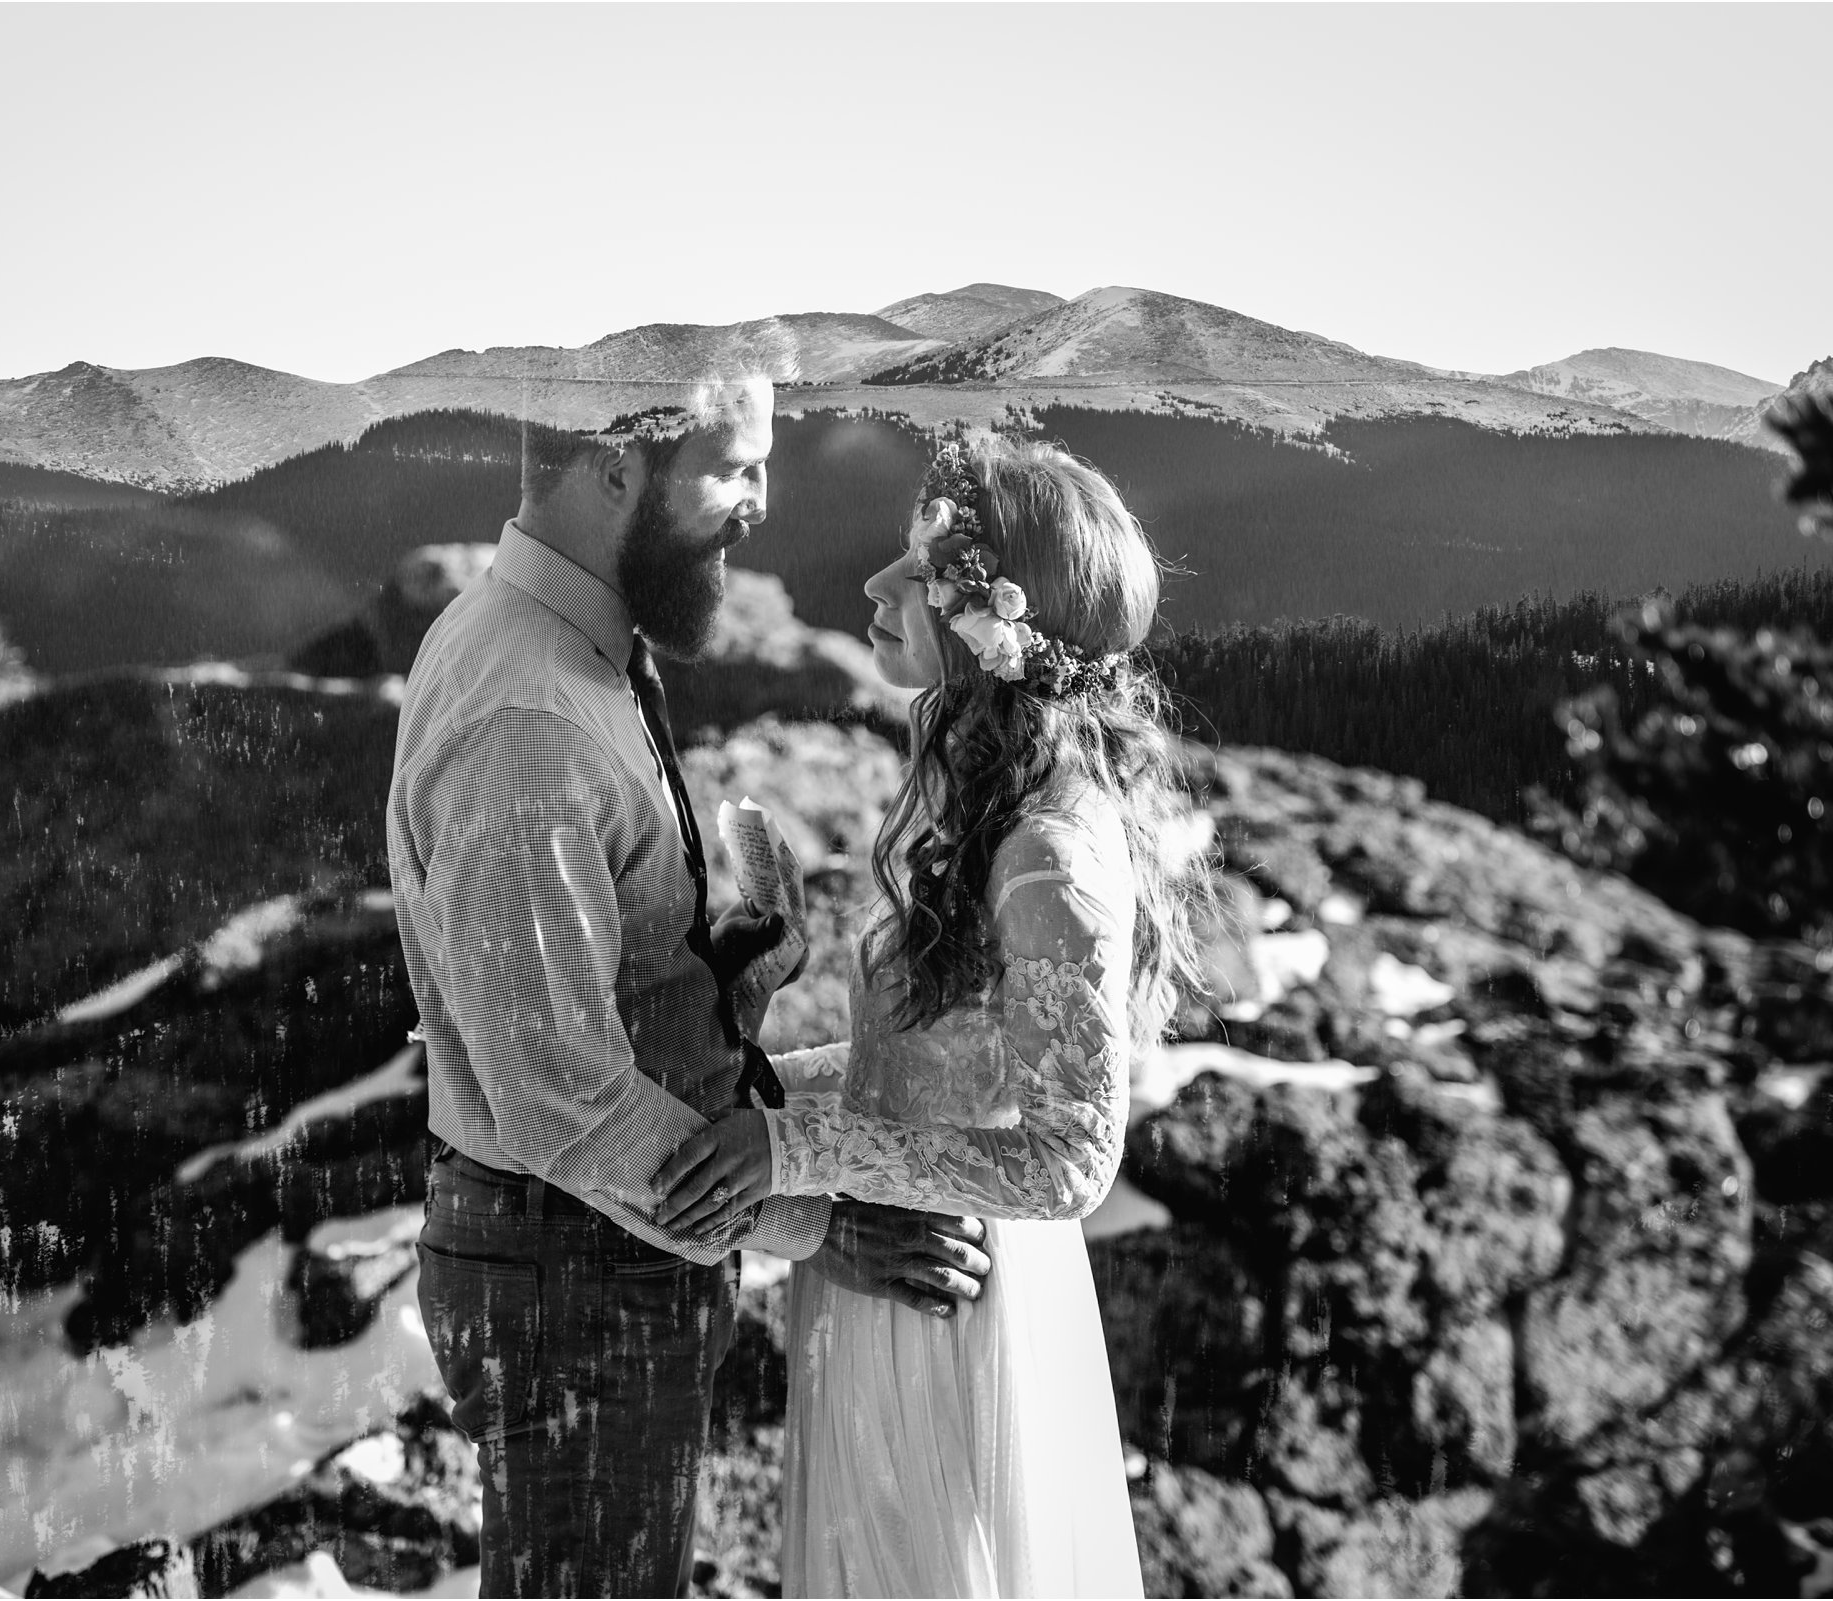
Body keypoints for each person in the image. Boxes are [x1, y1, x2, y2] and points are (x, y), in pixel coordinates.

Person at [385, 375, 995, 1599]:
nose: (761, 504)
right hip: (576, 1277)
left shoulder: (574, 642)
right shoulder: (528, 716)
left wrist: (727, 961)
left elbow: (581, 996)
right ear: (615, 461)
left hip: (594, 1260)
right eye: (733, 468)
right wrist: (825, 1223)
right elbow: (565, 1102)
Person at [654, 433, 1213, 1597]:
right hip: (904, 1266)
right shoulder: (984, 795)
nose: (875, 585)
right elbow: (920, 1068)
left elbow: (1068, 1161)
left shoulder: (1048, 852)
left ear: (998, 627)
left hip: (950, 1294)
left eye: (922, 572)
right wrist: (755, 1079)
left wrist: (786, 1146)